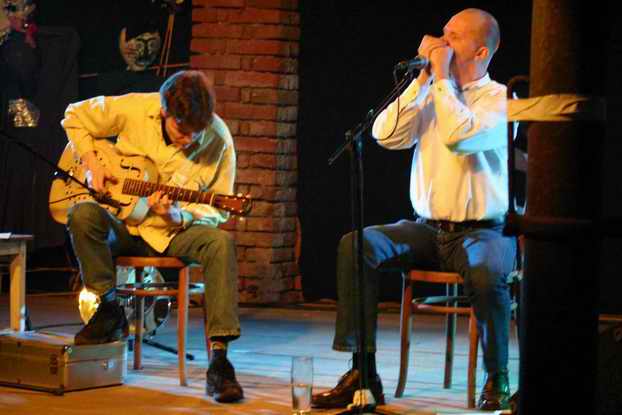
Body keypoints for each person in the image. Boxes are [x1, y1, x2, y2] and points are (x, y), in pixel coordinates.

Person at [312, 8, 516, 411]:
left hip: (484, 231)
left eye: (453, 37)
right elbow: (385, 134)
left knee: (486, 272)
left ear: (480, 52)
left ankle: (497, 378)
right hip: (428, 230)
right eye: (443, 33)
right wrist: (421, 83)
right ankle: (363, 375)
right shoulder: (433, 92)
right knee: (357, 245)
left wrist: (440, 80)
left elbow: (459, 137)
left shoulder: (501, 99)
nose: (441, 43)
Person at [61, 70, 244, 403]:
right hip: (125, 224)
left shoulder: (218, 139)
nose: (189, 139)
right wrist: (91, 164)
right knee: (82, 214)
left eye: (197, 132)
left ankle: (220, 361)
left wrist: (179, 215)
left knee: (220, 242)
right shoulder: (136, 108)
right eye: (182, 130)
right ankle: (109, 309)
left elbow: (219, 209)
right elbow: (74, 115)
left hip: (172, 233)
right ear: (164, 111)